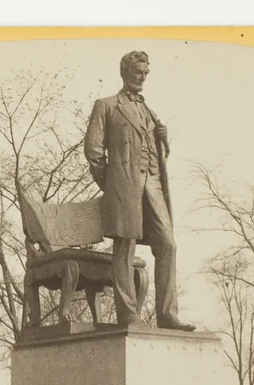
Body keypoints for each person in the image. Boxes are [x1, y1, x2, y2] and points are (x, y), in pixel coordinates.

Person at [83, 50, 194, 330]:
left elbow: (155, 155)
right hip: (124, 188)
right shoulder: (106, 105)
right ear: (125, 72)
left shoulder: (149, 112)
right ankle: (128, 314)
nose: (142, 78)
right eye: (138, 72)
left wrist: (163, 143)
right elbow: (93, 151)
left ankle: (167, 315)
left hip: (153, 186)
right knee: (125, 247)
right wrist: (112, 185)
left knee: (167, 244)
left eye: (146, 73)